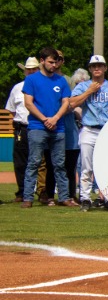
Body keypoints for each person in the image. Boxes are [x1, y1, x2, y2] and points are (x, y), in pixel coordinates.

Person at [69, 55, 108, 211]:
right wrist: (89, 91)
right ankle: (85, 198)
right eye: (94, 66)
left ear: (105, 68)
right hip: (89, 129)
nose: (97, 68)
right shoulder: (84, 86)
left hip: (107, 130)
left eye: (100, 65)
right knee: (86, 166)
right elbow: (72, 103)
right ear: (90, 69)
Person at [20, 47, 77, 207]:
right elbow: (28, 103)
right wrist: (45, 119)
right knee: (34, 162)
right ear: (42, 61)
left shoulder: (61, 81)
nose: (54, 65)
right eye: (51, 62)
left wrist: (56, 118)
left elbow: (66, 102)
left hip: (58, 128)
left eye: (56, 62)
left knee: (59, 164)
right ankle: (28, 198)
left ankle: (64, 197)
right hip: (37, 126)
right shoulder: (32, 80)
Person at [6, 57, 39, 202]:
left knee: (40, 162)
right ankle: (22, 192)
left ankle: (42, 192)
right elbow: (12, 110)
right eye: (28, 69)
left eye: (33, 69)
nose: (31, 71)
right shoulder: (17, 88)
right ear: (25, 71)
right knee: (20, 161)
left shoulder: (42, 86)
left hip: (38, 126)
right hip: (22, 127)